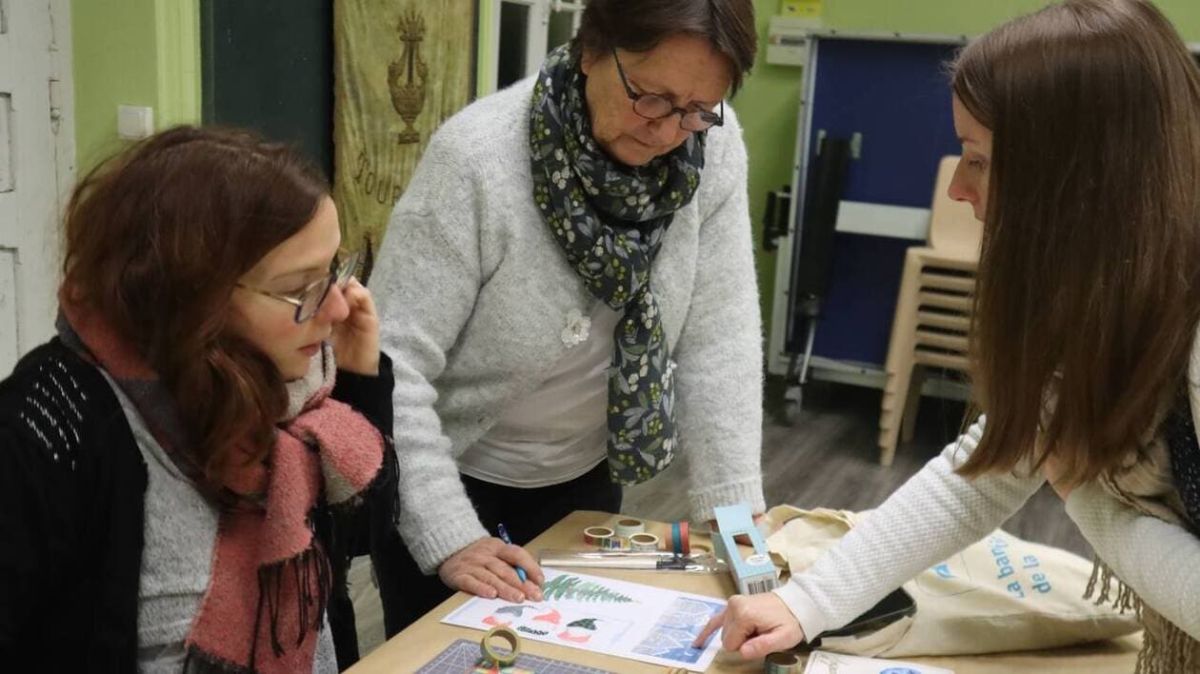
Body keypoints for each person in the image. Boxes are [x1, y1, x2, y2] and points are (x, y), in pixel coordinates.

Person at [696, 1, 1200, 671]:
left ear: (1081, 177)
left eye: (978, 159)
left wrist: (1090, 505)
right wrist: (807, 603)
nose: (959, 188)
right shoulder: (1116, 290)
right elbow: (987, 471)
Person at [370, 0, 766, 633]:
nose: (669, 132)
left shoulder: (712, 149)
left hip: (583, 478)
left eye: (696, 110)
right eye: (652, 98)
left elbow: (721, 336)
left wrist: (736, 519)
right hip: (449, 478)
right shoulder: (476, 161)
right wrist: (449, 535)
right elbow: (392, 368)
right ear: (590, 50)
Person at [0, 126, 398, 672]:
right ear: (194, 294)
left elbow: (357, 536)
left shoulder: (297, 387)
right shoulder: (47, 426)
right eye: (300, 286)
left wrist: (360, 381)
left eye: (332, 270)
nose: (335, 308)